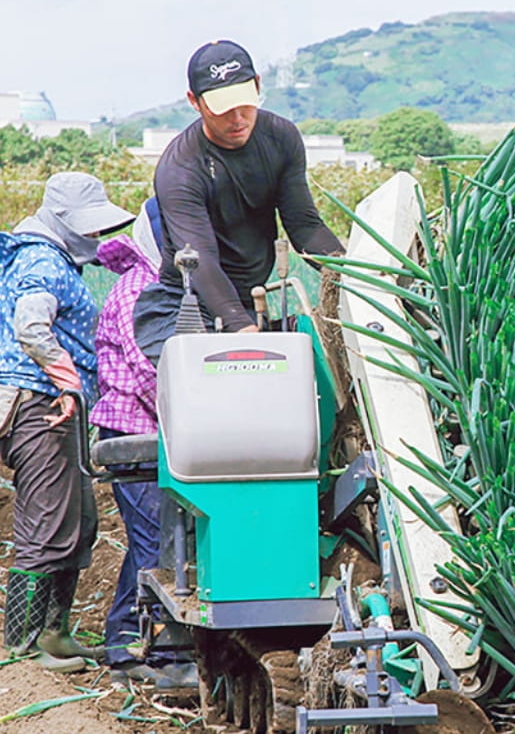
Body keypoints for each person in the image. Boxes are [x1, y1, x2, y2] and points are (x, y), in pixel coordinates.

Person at [0, 172, 135, 673]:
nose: (95, 238)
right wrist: (68, 380)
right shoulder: (40, 259)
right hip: (41, 403)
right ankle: (24, 643)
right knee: (47, 521)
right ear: (59, 220)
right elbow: (31, 326)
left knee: (77, 520)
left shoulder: (49, 257)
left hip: (52, 401)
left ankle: (56, 634)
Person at [135, 38, 343, 358]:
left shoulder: (281, 138)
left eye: (244, 103)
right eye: (222, 108)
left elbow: (305, 228)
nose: (237, 119)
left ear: (258, 85)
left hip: (246, 301)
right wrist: (243, 329)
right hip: (185, 304)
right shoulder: (180, 168)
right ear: (195, 101)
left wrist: (357, 280)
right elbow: (200, 260)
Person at [90, 198, 197, 689]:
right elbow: (151, 371)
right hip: (136, 431)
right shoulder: (141, 289)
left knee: (152, 539)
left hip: (154, 432)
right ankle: (161, 653)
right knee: (159, 540)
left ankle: (125, 641)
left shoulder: (160, 284)